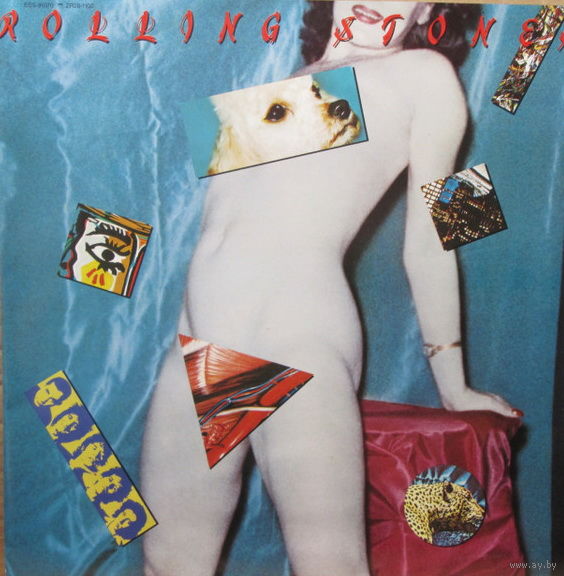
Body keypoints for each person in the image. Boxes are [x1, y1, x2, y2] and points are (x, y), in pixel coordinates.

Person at [142, 3, 520, 575]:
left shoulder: (425, 74)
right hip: (204, 343)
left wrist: (454, 384)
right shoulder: (282, 82)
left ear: (429, 10)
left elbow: (433, 241)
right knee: (167, 564)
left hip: (299, 337)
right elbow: (223, 224)